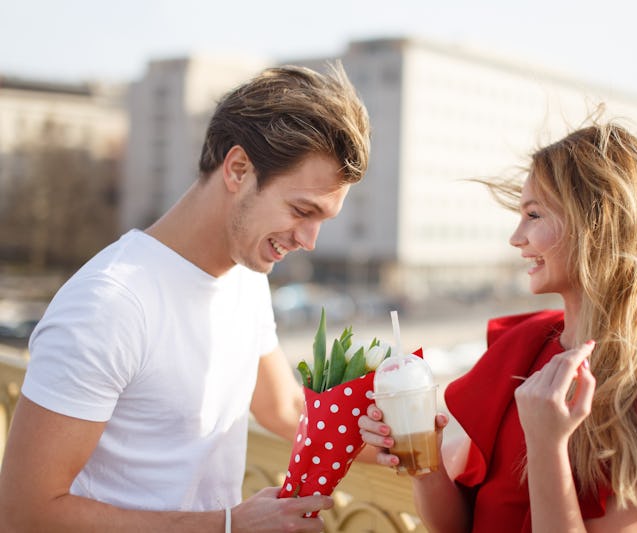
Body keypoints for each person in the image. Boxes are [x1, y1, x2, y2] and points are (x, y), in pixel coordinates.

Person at [0, 62, 370, 532]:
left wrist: (378, 441)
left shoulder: (247, 275)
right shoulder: (110, 304)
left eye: (324, 219)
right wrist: (229, 525)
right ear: (238, 169)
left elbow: (282, 409)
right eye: (302, 210)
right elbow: (25, 513)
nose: (310, 240)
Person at [359, 117, 637, 532]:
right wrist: (424, 457)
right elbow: (455, 527)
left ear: (595, 225)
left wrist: (547, 443)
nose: (516, 238)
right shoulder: (524, 344)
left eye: (534, 214)